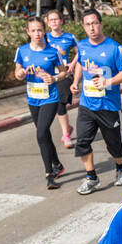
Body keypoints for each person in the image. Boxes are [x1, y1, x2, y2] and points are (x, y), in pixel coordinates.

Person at [71, 10, 122, 194]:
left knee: (114, 145)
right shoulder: (82, 46)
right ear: (83, 26)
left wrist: (108, 82)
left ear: (101, 23)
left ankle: (120, 168)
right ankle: (91, 177)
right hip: (87, 104)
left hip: (108, 105)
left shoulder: (115, 48)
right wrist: (75, 82)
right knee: (82, 141)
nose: (92, 27)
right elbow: (81, 64)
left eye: (95, 23)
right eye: (88, 24)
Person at [13, 15, 68, 189]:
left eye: (40, 30)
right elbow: (17, 73)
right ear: (28, 32)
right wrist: (21, 74)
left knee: (41, 133)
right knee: (44, 134)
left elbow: (64, 72)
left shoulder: (53, 51)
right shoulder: (22, 51)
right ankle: (58, 164)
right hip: (33, 99)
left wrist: (54, 78)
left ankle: (49, 175)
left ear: (44, 31)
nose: (37, 33)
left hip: (50, 98)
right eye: (33, 30)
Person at [44, 9, 78, 149]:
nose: (54, 22)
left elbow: (81, 52)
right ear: (47, 23)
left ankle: (66, 134)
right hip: (49, 76)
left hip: (64, 74)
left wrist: (73, 64)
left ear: (61, 21)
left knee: (60, 103)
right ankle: (68, 127)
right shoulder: (44, 37)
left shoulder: (70, 37)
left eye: (56, 19)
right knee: (55, 104)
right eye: (51, 20)